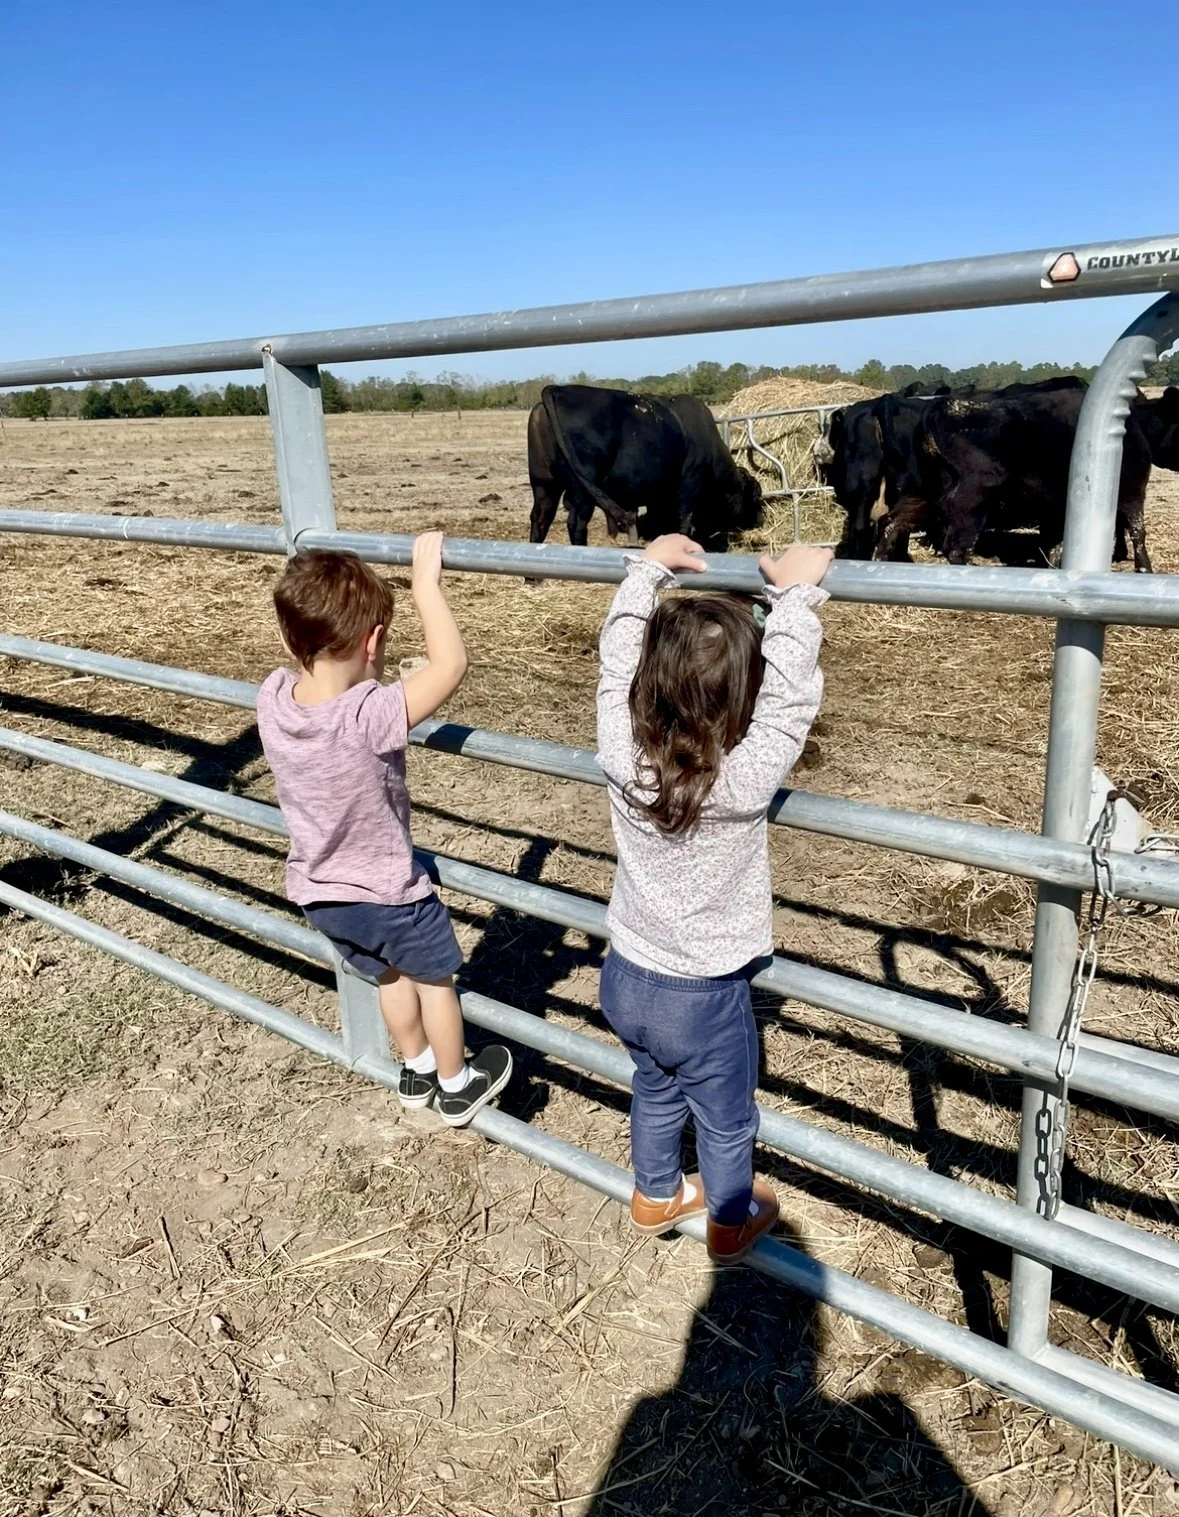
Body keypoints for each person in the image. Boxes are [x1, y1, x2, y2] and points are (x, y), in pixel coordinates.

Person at [596, 533, 832, 1263]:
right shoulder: (740, 779)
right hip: (702, 995)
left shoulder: (618, 750)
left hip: (624, 973)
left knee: (654, 1086)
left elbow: (611, 666)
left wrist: (644, 574)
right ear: (739, 700)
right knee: (726, 1119)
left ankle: (654, 1192)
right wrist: (795, 598)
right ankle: (730, 1219)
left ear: (645, 682)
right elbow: (790, 702)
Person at [256, 533, 512, 1127]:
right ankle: (455, 1083)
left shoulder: (273, 699)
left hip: (321, 893)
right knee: (434, 980)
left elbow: (311, 676)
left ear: (290, 640)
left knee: (387, 975)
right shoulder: (370, 715)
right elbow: (451, 665)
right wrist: (426, 586)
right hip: (390, 895)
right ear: (373, 641)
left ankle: (415, 1065)